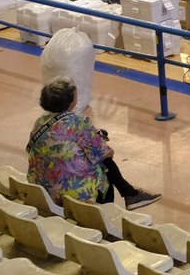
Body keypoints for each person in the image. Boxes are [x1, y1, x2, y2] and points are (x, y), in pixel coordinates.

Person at [27, 79, 159, 209]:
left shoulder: (40, 121)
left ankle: (130, 194)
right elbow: (106, 153)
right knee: (104, 165)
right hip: (73, 196)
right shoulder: (78, 122)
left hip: (43, 190)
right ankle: (128, 196)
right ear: (70, 100)